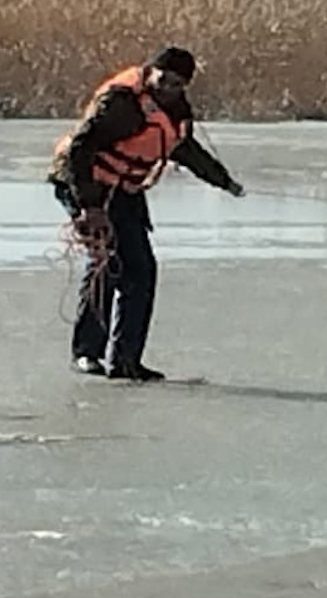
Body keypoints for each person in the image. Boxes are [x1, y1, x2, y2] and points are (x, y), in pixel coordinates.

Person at [46, 46, 246, 381]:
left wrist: (222, 180)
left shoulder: (176, 109)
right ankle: (86, 353)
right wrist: (90, 207)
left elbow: (184, 149)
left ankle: (125, 360)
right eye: (164, 79)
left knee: (140, 271)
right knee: (106, 264)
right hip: (86, 183)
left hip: (124, 191)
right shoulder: (122, 105)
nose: (168, 88)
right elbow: (80, 150)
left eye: (178, 84)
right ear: (150, 70)